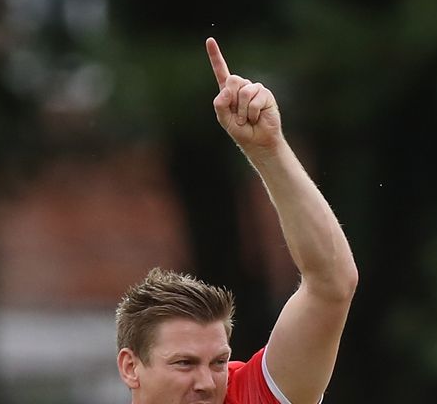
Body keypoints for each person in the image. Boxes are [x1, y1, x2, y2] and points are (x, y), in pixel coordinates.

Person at [115, 37, 359, 404]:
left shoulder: (245, 395)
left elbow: (332, 284)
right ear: (131, 367)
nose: (207, 383)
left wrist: (268, 149)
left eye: (218, 362)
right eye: (184, 363)